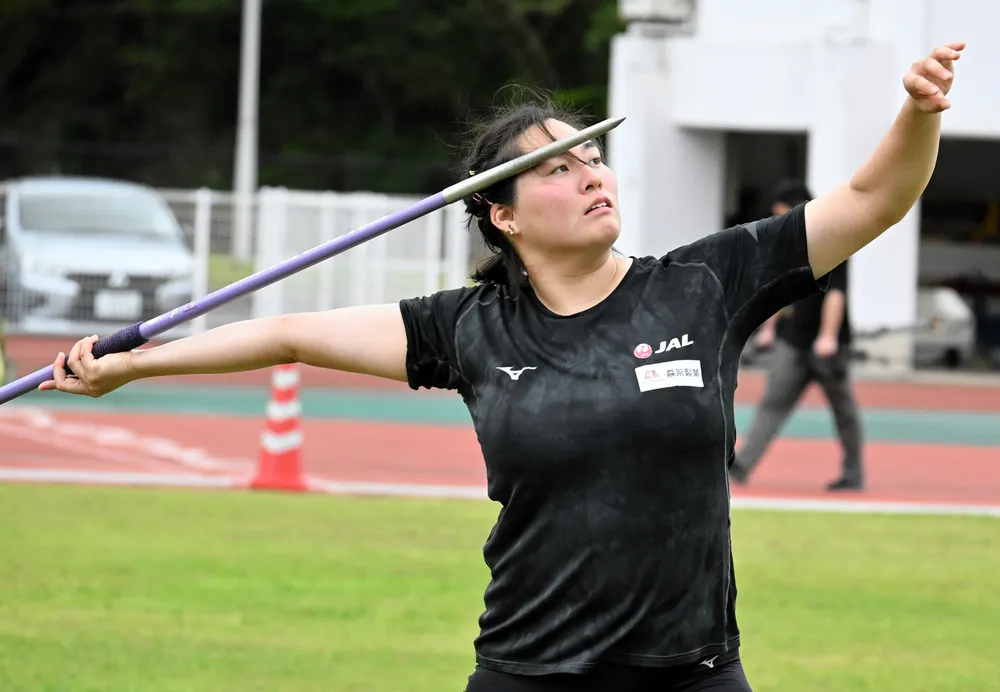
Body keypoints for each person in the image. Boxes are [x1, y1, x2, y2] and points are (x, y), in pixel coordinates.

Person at [39, 43, 965, 692]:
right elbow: (289, 333)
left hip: (695, 672)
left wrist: (917, 113)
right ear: (506, 218)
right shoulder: (469, 329)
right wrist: (135, 368)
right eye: (559, 169)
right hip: (533, 672)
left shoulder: (703, 284)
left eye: (593, 157)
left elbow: (876, 198)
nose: (592, 174)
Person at [728, 182, 864, 491]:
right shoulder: (787, 246)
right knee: (772, 403)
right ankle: (743, 465)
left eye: (780, 215)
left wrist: (827, 337)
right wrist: (768, 330)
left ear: (796, 209)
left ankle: (853, 473)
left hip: (829, 346)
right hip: (793, 341)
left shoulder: (833, 240)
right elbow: (779, 293)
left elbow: (836, 294)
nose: (777, 221)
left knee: (844, 411)